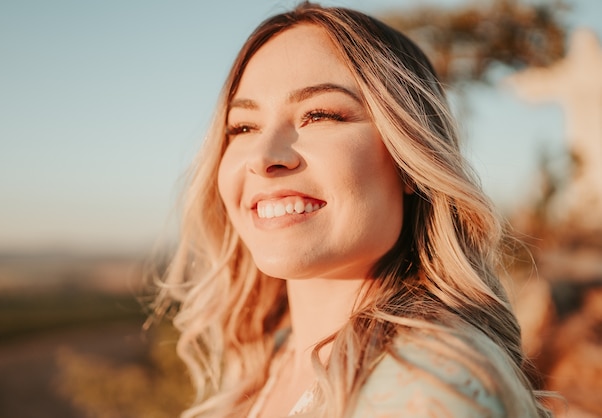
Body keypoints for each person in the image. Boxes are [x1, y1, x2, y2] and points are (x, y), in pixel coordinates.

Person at [157, 2, 553, 417]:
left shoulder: (432, 386)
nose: (263, 156)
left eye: (320, 115)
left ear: (409, 160)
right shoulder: (270, 358)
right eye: (243, 127)